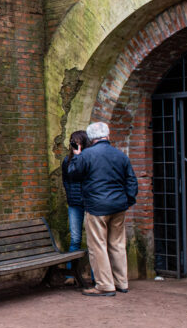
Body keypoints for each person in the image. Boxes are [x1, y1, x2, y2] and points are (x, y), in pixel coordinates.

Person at [65, 121, 139, 297]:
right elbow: (131, 181)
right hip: (119, 206)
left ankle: (105, 285)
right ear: (108, 135)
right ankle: (122, 282)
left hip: (97, 206)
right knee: (117, 244)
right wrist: (128, 200)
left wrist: (76, 155)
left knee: (98, 246)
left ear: (91, 137)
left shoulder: (86, 155)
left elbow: (73, 174)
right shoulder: (120, 155)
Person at [59, 130, 91, 284]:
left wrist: (79, 156)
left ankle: (95, 276)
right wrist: (71, 195)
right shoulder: (67, 161)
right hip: (74, 204)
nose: (74, 144)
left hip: (89, 203)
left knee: (93, 241)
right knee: (75, 239)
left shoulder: (88, 159)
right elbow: (66, 181)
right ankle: (71, 275)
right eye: (72, 141)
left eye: (77, 141)